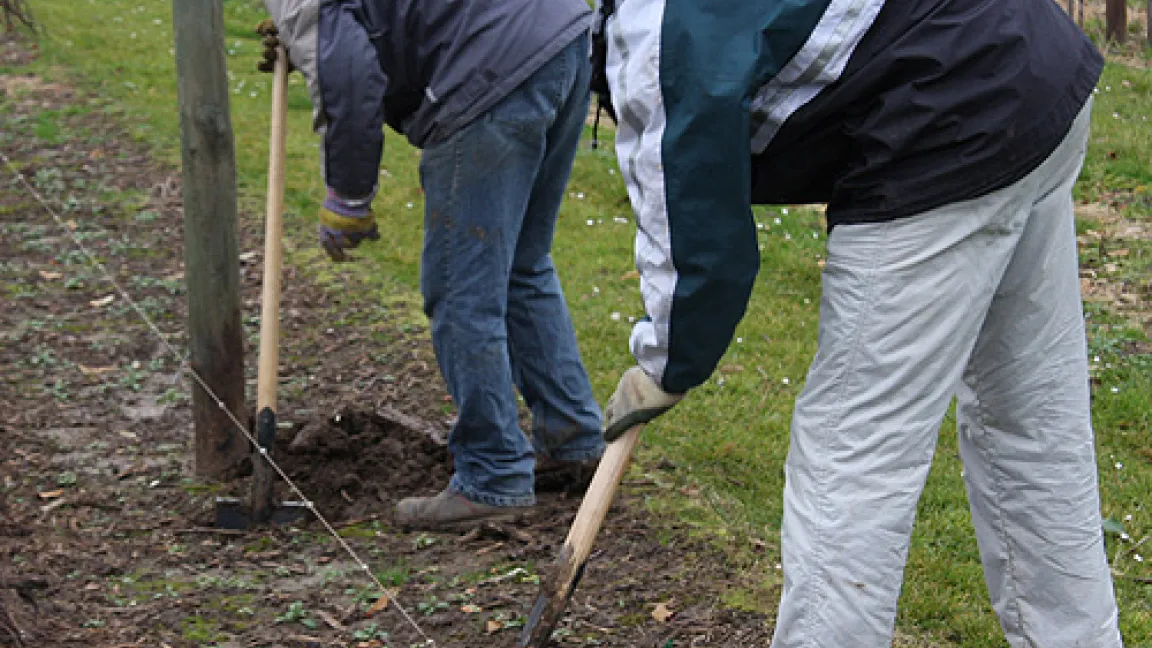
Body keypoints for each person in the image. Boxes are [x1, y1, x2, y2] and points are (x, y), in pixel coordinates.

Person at [596, 0, 1125, 645]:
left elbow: (692, 232)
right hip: (1035, 66)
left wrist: (665, 364)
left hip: (945, 116)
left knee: (854, 449)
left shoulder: (653, 28)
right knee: (1033, 423)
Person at [260, 0, 605, 530]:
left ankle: (492, 476)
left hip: (487, 72)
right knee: (521, 265)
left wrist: (348, 198)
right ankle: (571, 439)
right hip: (559, 37)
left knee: (462, 289)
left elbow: (351, 78)